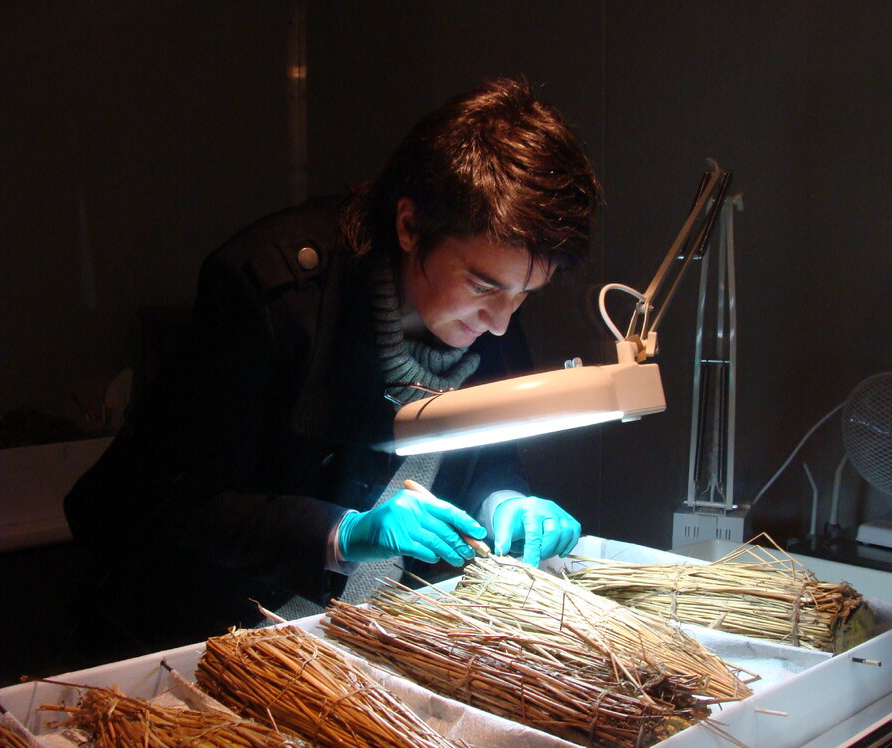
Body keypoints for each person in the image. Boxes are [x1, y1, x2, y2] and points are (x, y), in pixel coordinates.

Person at [64, 78, 602, 636]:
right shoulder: (272, 289)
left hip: (351, 630)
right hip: (201, 623)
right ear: (409, 225)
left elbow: (482, 453)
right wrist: (342, 533)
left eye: (526, 295)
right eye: (484, 287)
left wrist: (504, 500)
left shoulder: (497, 304)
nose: (501, 323)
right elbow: (188, 502)